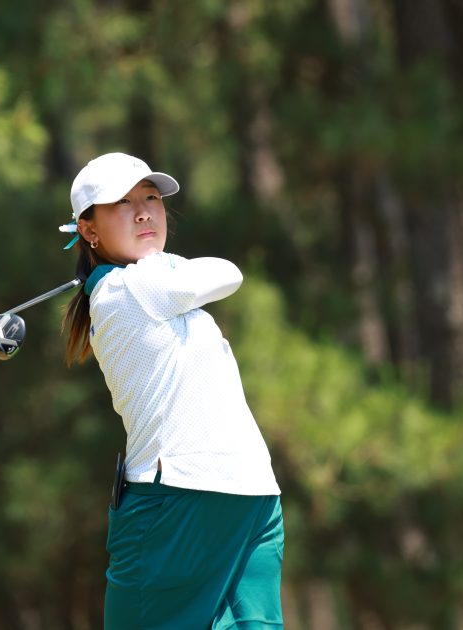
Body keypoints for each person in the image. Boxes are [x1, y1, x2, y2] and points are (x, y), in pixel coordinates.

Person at [59, 152, 284, 629]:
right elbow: (225, 272)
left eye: (151, 198)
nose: (144, 212)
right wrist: (164, 261)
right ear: (88, 229)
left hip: (199, 495)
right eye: (122, 202)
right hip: (216, 494)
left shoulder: (142, 283)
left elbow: (225, 274)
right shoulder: (126, 289)